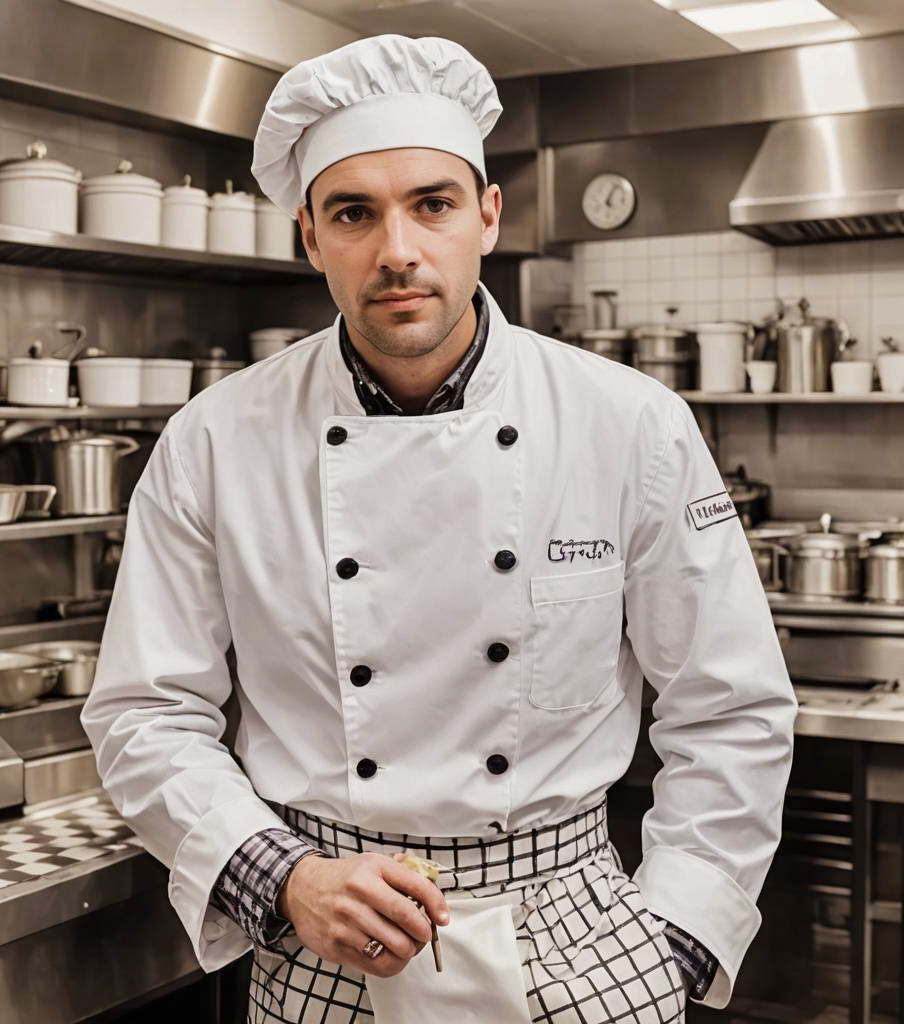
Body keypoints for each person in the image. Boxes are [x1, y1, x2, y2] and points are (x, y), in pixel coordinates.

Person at [81, 33, 797, 1024]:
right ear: (308, 236)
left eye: (432, 203)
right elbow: (145, 712)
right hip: (327, 940)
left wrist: (676, 933)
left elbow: (730, 706)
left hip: (580, 936)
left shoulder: (630, 422)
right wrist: (278, 876)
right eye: (353, 213)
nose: (397, 250)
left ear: (487, 215)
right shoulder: (214, 440)